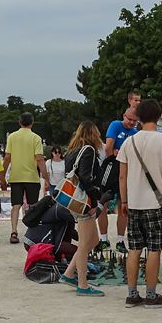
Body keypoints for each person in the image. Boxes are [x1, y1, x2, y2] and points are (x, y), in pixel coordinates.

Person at [117, 100, 162, 308]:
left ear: (139, 118)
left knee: (134, 249)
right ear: (158, 116)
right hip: (156, 203)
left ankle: (132, 293)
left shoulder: (129, 142)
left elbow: (122, 177)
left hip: (133, 202)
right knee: (154, 250)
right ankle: (151, 295)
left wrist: (124, 200)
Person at [57, 122, 105, 296]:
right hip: (84, 201)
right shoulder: (89, 151)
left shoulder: (72, 151)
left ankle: (70, 273)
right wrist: (94, 199)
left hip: (74, 200)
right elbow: (86, 178)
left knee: (92, 240)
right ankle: (82, 285)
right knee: (86, 243)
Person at [3, 112, 50, 244]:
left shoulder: (12, 137)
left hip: (16, 177)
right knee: (33, 206)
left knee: (15, 205)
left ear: (19, 122)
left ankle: (13, 231)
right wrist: (45, 177)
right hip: (31, 177)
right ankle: (33, 232)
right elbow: (40, 159)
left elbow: (7, 157)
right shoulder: (36, 138)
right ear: (32, 122)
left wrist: (2, 175)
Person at [97, 107, 139, 253]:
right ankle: (103, 239)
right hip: (110, 169)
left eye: (135, 121)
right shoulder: (115, 125)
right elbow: (109, 149)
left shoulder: (136, 133)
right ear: (124, 116)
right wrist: (119, 154)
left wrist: (119, 153)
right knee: (104, 205)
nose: (131, 123)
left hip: (127, 173)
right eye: (129, 120)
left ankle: (121, 240)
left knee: (123, 207)